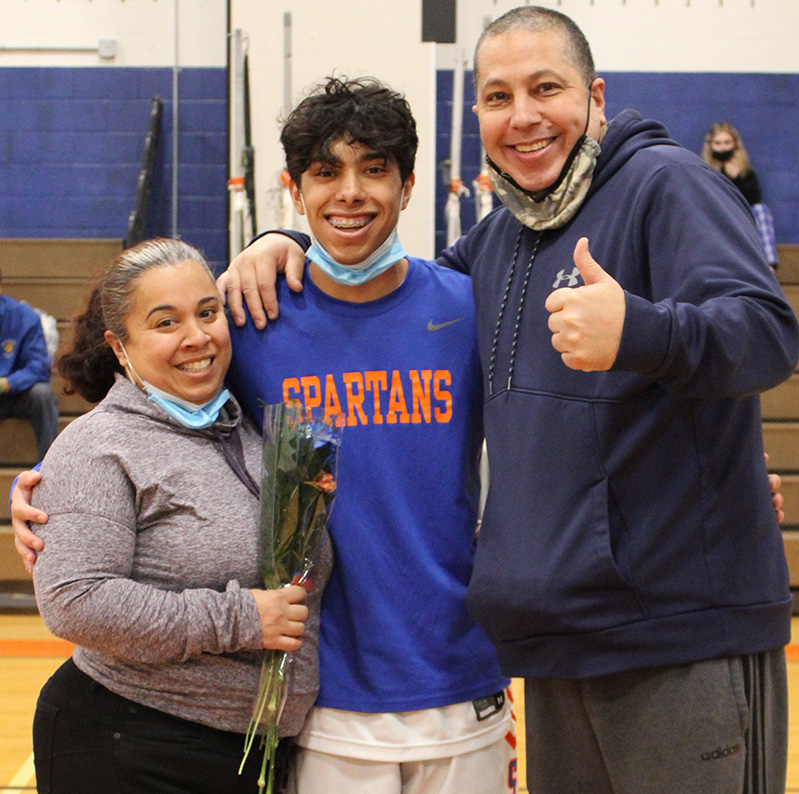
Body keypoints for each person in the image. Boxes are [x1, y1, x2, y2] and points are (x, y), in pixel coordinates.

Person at [215, 8, 799, 794]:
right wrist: (279, 243)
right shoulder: (499, 243)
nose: (522, 116)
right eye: (497, 96)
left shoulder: (669, 185)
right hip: (559, 646)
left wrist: (642, 331)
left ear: (594, 97)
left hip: (677, 635)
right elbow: (387, 291)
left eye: (545, 88)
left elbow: (767, 333)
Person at [13, 80, 515, 794]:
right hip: (319, 698)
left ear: (408, 187)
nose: (351, 192)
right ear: (293, 188)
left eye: (375, 168)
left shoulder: (468, 310)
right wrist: (40, 491)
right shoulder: (246, 321)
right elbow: (138, 419)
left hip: (461, 680)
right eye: (326, 171)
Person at [27, 238, 330, 794]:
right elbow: (75, 604)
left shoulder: (252, 430)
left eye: (208, 312)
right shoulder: (98, 446)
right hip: (128, 743)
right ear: (120, 347)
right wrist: (241, 619)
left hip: (248, 752)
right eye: (166, 323)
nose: (198, 337)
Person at [0, 266, 60, 459]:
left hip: (17, 394)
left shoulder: (25, 317)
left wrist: (8, 383)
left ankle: (51, 465)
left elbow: (39, 367)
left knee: (42, 393)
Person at [702, 121, 778, 269]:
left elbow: (754, 199)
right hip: (717, 215)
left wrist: (737, 178)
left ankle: (769, 265)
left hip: (742, 216)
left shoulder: (744, 171)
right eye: (718, 143)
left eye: (726, 143)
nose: (723, 147)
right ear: (710, 145)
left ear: (735, 144)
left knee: (761, 211)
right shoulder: (704, 170)